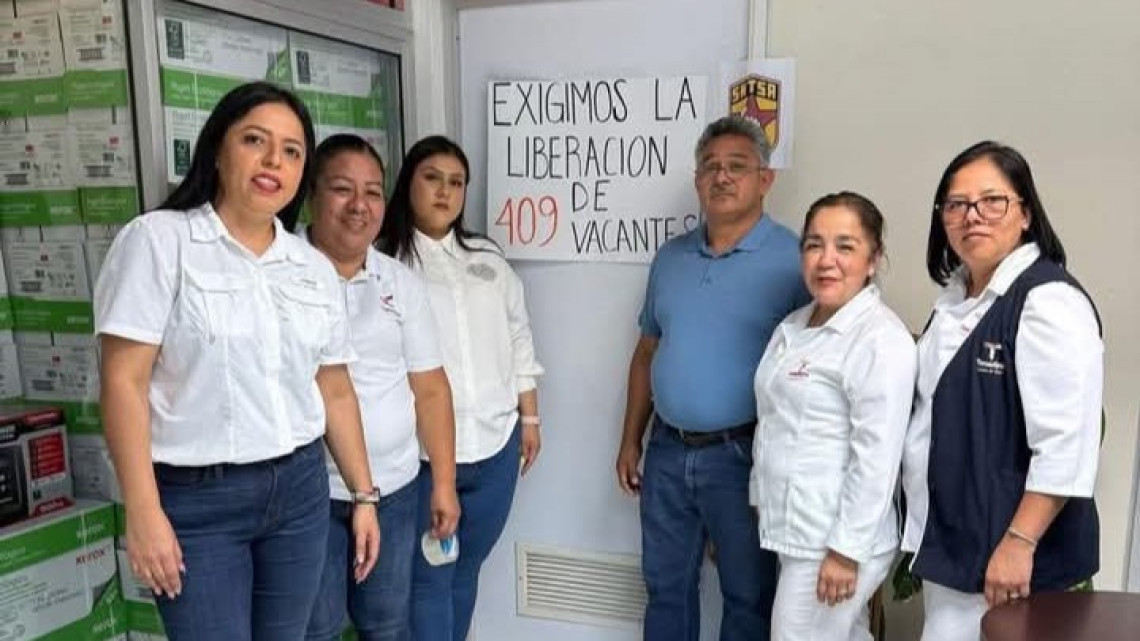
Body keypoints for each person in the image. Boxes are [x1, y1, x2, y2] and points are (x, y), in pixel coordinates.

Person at [94, 82, 380, 641]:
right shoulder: (159, 242)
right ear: (218, 150)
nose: (275, 160)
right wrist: (144, 512)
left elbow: (335, 388)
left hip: (298, 493)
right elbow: (123, 383)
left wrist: (364, 495)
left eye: (293, 151)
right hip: (198, 502)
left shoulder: (310, 265)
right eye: (256, 140)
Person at [615, 115, 810, 641]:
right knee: (665, 588)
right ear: (697, 179)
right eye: (710, 167)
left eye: (737, 167)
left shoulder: (795, 260)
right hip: (667, 453)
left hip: (743, 456)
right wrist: (631, 439)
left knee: (748, 599)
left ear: (764, 179)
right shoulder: (671, 258)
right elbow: (646, 352)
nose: (721, 177)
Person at [901, 141, 1103, 641]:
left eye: (993, 201)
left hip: (1006, 562)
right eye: (957, 204)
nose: (974, 216)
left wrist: (1019, 542)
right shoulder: (953, 302)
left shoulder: (1047, 301)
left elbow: (1064, 442)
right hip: (955, 545)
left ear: (1026, 213)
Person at [376, 135, 544, 641]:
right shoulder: (386, 262)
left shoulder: (488, 258)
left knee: (466, 569)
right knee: (429, 577)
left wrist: (530, 418)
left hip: (496, 446)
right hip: (425, 456)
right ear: (408, 184)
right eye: (432, 179)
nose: (445, 192)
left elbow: (518, 336)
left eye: (456, 183)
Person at [301, 134, 461, 641]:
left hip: (394, 488)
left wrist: (443, 483)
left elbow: (431, 390)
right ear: (311, 194)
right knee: (317, 628)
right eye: (343, 189)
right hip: (311, 494)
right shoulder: (283, 273)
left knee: (387, 624)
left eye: (372, 192)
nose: (359, 206)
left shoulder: (399, 283)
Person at [751, 192, 915, 640]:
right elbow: (774, 420)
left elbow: (877, 458)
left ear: (873, 258)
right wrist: (758, 500)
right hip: (797, 530)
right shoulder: (796, 325)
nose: (827, 260)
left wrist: (845, 551)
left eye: (845, 246)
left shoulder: (880, 340)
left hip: (833, 540)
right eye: (814, 244)